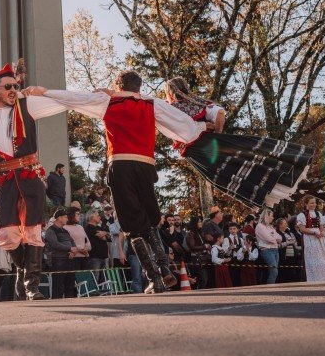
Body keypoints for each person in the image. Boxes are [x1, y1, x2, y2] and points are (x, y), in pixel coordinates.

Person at [27, 70, 207, 293]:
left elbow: (76, 98)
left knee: (131, 228)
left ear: (117, 85)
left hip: (121, 164)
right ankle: (165, 269)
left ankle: (155, 278)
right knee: (149, 221)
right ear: (139, 87)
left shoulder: (109, 101)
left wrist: (44, 92)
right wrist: (200, 128)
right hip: (145, 165)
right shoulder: (152, 104)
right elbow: (182, 123)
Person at [0, 63, 91, 300]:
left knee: (32, 231)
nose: (14, 90)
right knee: (5, 234)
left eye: (16, 86)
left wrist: (44, 91)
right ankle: (22, 268)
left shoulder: (27, 104)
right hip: (3, 178)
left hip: (28, 175)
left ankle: (32, 285)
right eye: (8, 87)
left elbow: (63, 102)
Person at [164, 77, 313, 208]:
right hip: (215, 144)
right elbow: (220, 113)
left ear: (170, 93)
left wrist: (208, 131)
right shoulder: (198, 103)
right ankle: (304, 185)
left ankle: (297, 189)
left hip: (200, 152)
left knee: (237, 177)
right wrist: (218, 133)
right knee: (254, 160)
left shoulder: (172, 110)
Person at [296, 195, 325, 282]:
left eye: (315, 203)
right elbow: (302, 229)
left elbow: (321, 227)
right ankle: (314, 278)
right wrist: (314, 232)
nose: (314, 204)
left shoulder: (318, 213)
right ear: (306, 204)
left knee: (322, 257)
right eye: (312, 203)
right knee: (313, 257)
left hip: (319, 238)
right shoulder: (302, 215)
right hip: (310, 239)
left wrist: (322, 232)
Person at [44, 208, 77, 299]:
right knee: (58, 285)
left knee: (70, 284)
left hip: (69, 259)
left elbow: (72, 241)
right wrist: (70, 248)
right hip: (58, 260)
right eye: (65, 217)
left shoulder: (65, 231)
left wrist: (73, 252)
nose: (67, 219)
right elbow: (55, 244)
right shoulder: (50, 230)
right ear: (59, 218)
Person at [255, 209, 282, 284]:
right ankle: (270, 288)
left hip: (275, 250)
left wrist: (274, 238)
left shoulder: (270, 227)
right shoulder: (260, 226)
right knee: (274, 271)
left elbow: (280, 237)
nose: (273, 218)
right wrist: (275, 239)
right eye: (271, 216)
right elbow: (268, 238)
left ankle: (271, 286)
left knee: (274, 271)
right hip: (267, 250)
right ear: (266, 216)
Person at [84, 209, 111, 282]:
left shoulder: (99, 228)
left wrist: (104, 233)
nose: (100, 217)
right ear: (92, 217)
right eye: (98, 215)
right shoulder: (88, 227)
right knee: (95, 279)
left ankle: (105, 293)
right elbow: (100, 235)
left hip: (103, 257)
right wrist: (104, 233)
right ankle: (94, 293)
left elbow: (107, 237)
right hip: (94, 258)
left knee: (105, 280)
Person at [185, 216, 211, 289]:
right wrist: (205, 246)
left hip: (203, 257)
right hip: (196, 258)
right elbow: (192, 247)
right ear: (195, 223)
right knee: (203, 279)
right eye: (199, 222)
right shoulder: (190, 233)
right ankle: (198, 292)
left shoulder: (200, 232)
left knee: (205, 279)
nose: (201, 223)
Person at [64, 208, 91, 274]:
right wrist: (80, 248)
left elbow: (87, 241)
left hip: (84, 257)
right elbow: (66, 243)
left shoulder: (80, 227)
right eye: (78, 214)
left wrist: (87, 248)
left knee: (85, 279)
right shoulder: (64, 227)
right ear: (72, 215)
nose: (80, 216)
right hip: (73, 258)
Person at [276, 218, 301, 283]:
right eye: (284, 223)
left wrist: (301, 247)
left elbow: (295, 245)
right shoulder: (277, 234)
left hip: (292, 256)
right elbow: (278, 245)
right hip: (284, 257)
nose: (286, 224)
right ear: (280, 225)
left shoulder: (289, 233)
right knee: (284, 274)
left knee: (292, 274)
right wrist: (288, 243)